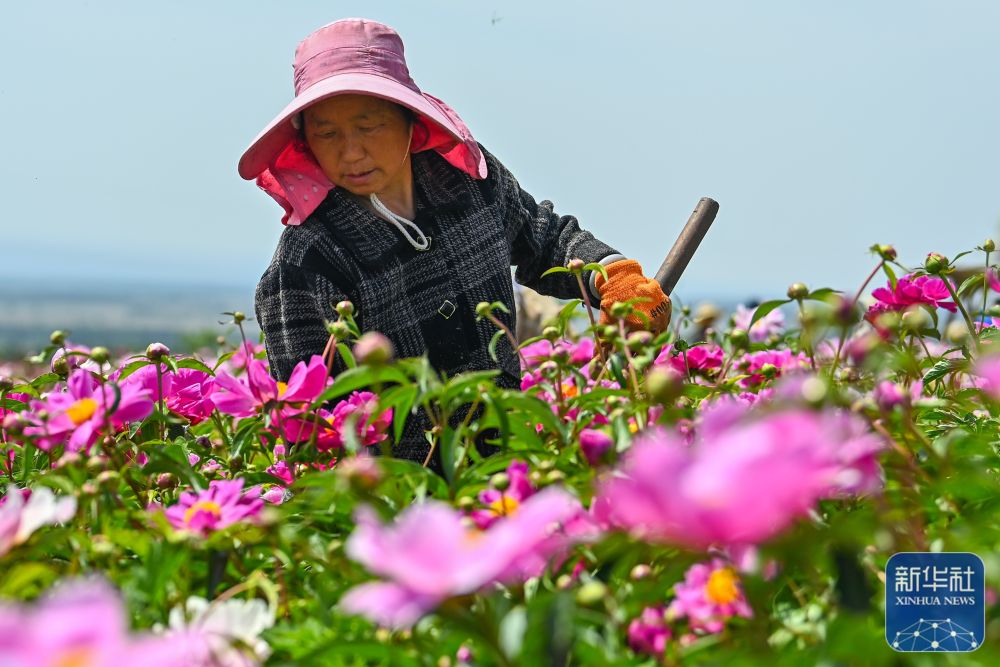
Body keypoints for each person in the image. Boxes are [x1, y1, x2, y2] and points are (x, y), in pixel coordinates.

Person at [239, 18, 671, 463]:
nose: (350, 151)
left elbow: (542, 239)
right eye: (327, 133)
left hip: (505, 470)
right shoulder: (306, 265)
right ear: (306, 141)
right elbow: (312, 430)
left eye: (369, 126)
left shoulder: (467, 182)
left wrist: (613, 276)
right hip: (401, 501)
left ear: (412, 120)